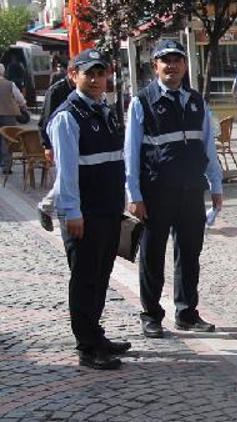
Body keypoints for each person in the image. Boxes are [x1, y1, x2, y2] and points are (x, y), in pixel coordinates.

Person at [124, 40, 223, 338]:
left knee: (190, 254)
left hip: (191, 190)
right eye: (165, 60)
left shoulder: (196, 101)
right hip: (156, 191)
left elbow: (208, 146)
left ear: (184, 65)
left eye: (177, 60)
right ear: (155, 66)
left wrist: (216, 184)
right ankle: (151, 314)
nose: (172, 65)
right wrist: (134, 195)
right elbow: (130, 154)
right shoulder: (142, 102)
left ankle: (187, 312)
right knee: (152, 254)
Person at [47, 49, 131, 370]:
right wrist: (72, 212)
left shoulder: (104, 110)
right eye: (88, 74)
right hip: (85, 213)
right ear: (73, 76)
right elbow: (66, 172)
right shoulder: (69, 117)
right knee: (84, 280)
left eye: (100, 73)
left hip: (108, 209)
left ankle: (96, 334)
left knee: (100, 276)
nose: (96, 80)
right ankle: (87, 346)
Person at [37, 62, 76, 231]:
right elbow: (45, 120)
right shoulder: (57, 90)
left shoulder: (85, 90)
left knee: (75, 176)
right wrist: (47, 145)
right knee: (65, 177)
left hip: (77, 140)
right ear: (71, 73)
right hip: (58, 141)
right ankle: (46, 207)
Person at [0, 63, 27, 175]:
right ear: (3, 72)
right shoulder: (10, 84)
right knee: (7, 140)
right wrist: (23, 106)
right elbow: (20, 99)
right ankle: (7, 167)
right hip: (8, 114)